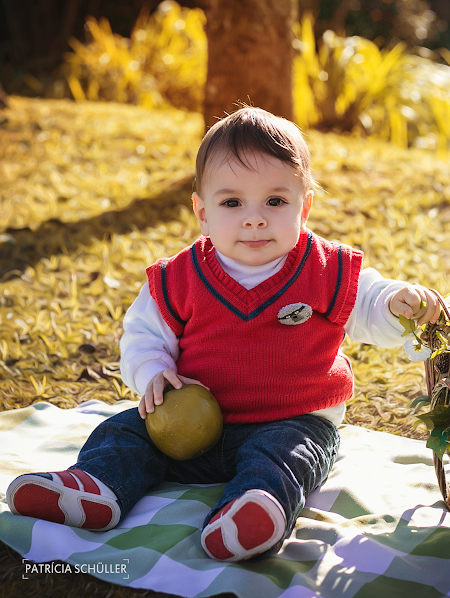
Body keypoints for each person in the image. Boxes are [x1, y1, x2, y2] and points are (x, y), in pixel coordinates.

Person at [7, 107, 441, 563]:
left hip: (294, 418)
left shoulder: (326, 270)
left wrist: (396, 304)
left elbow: (369, 304)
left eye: (275, 202)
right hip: (191, 426)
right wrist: (153, 372)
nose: (254, 219)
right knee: (125, 432)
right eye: (232, 203)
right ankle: (93, 489)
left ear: (305, 206)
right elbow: (143, 335)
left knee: (281, 459)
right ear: (203, 212)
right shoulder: (179, 278)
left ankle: (252, 513)